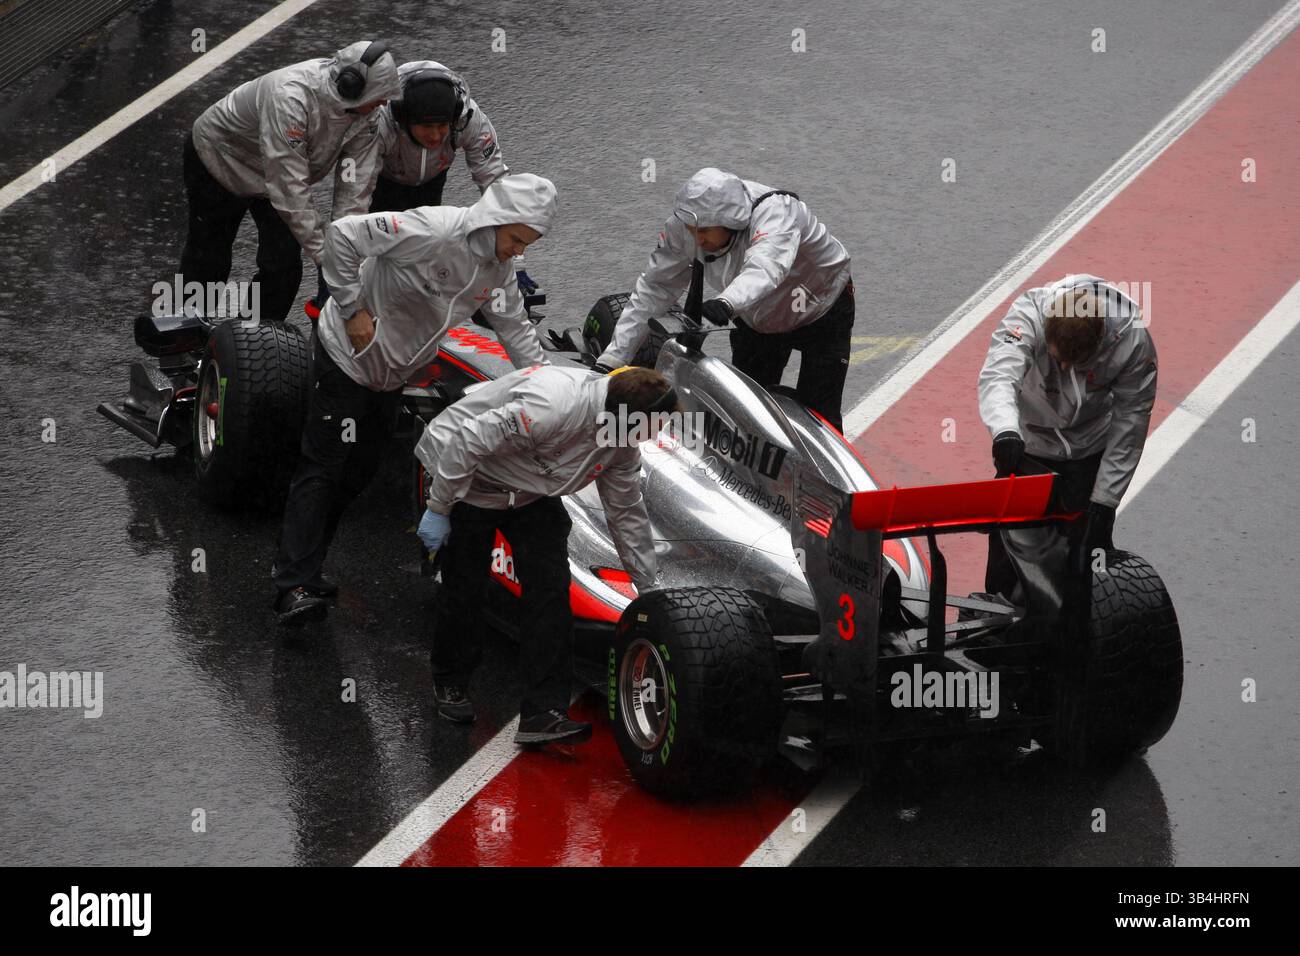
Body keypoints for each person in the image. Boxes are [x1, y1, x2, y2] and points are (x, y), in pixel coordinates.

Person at [271, 174, 558, 624]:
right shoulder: (433, 230)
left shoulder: (498, 273)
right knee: (323, 466)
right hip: (344, 356)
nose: (519, 251)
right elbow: (343, 235)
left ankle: (301, 561)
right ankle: (294, 583)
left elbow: (517, 332)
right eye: (518, 238)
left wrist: (549, 388)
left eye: (528, 243)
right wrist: (352, 309)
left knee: (359, 472)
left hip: (392, 377)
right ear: (497, 220)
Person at [414, 365, 667, 745]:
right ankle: (450, 681)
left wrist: (648, 586)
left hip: (529, 492)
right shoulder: (551, 405)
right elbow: (467, 441)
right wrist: (439, 507)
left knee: (550, 592)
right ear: (623, 416)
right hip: (467, 478)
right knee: (465, 588)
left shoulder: (621, 442)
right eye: (653, 426)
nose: (655, 436)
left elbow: (626, 513)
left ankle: (543, 712)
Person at [594, 167, 854, 429]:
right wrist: (614, 359)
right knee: (745, 415)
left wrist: (727, 302)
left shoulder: (777, 213)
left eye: (704, 231)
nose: (697, 238)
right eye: (691, 229)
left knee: (823, 417)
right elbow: (655, 288)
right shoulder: (687, 225)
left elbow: (766, 267)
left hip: (821, 310)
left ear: (732, 220)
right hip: (756, 319)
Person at [182, 41, 401, 324]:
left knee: (283, 266)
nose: (384, 103)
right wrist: (325, 256)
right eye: (379, 95)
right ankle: (185, 336)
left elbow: (354, 186)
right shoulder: (290, 98)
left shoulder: (367, 114)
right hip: (219, 158)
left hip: (273, 173)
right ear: (351, 86)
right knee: (209, 256)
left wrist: (344, 247)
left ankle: (256, 339)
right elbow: (289, 190)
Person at [978, 274, 1158, 599]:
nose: (1061, 367)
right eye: (1056, 357)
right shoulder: (1028, 316)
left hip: (1089, 449)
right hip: (1028, 448)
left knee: (1085, 563)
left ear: (1101, 341)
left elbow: (1131, 422)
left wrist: (1105, 501)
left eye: (1071, 363)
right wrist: (1005, 431)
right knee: (1007, 561)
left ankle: (1075, 631)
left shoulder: (1132, 342)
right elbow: (999, 375)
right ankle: (998, 619)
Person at [369, 60, 539, 298]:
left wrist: (515, 266)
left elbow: (497, 188)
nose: (436, 135)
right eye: (427, 127)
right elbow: (353, 192)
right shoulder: (378, 123)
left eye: (442, 126)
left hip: (430, 183)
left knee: (424, 255)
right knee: (372, 256)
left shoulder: (468, 119)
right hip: (380, 185)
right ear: (404, 118)